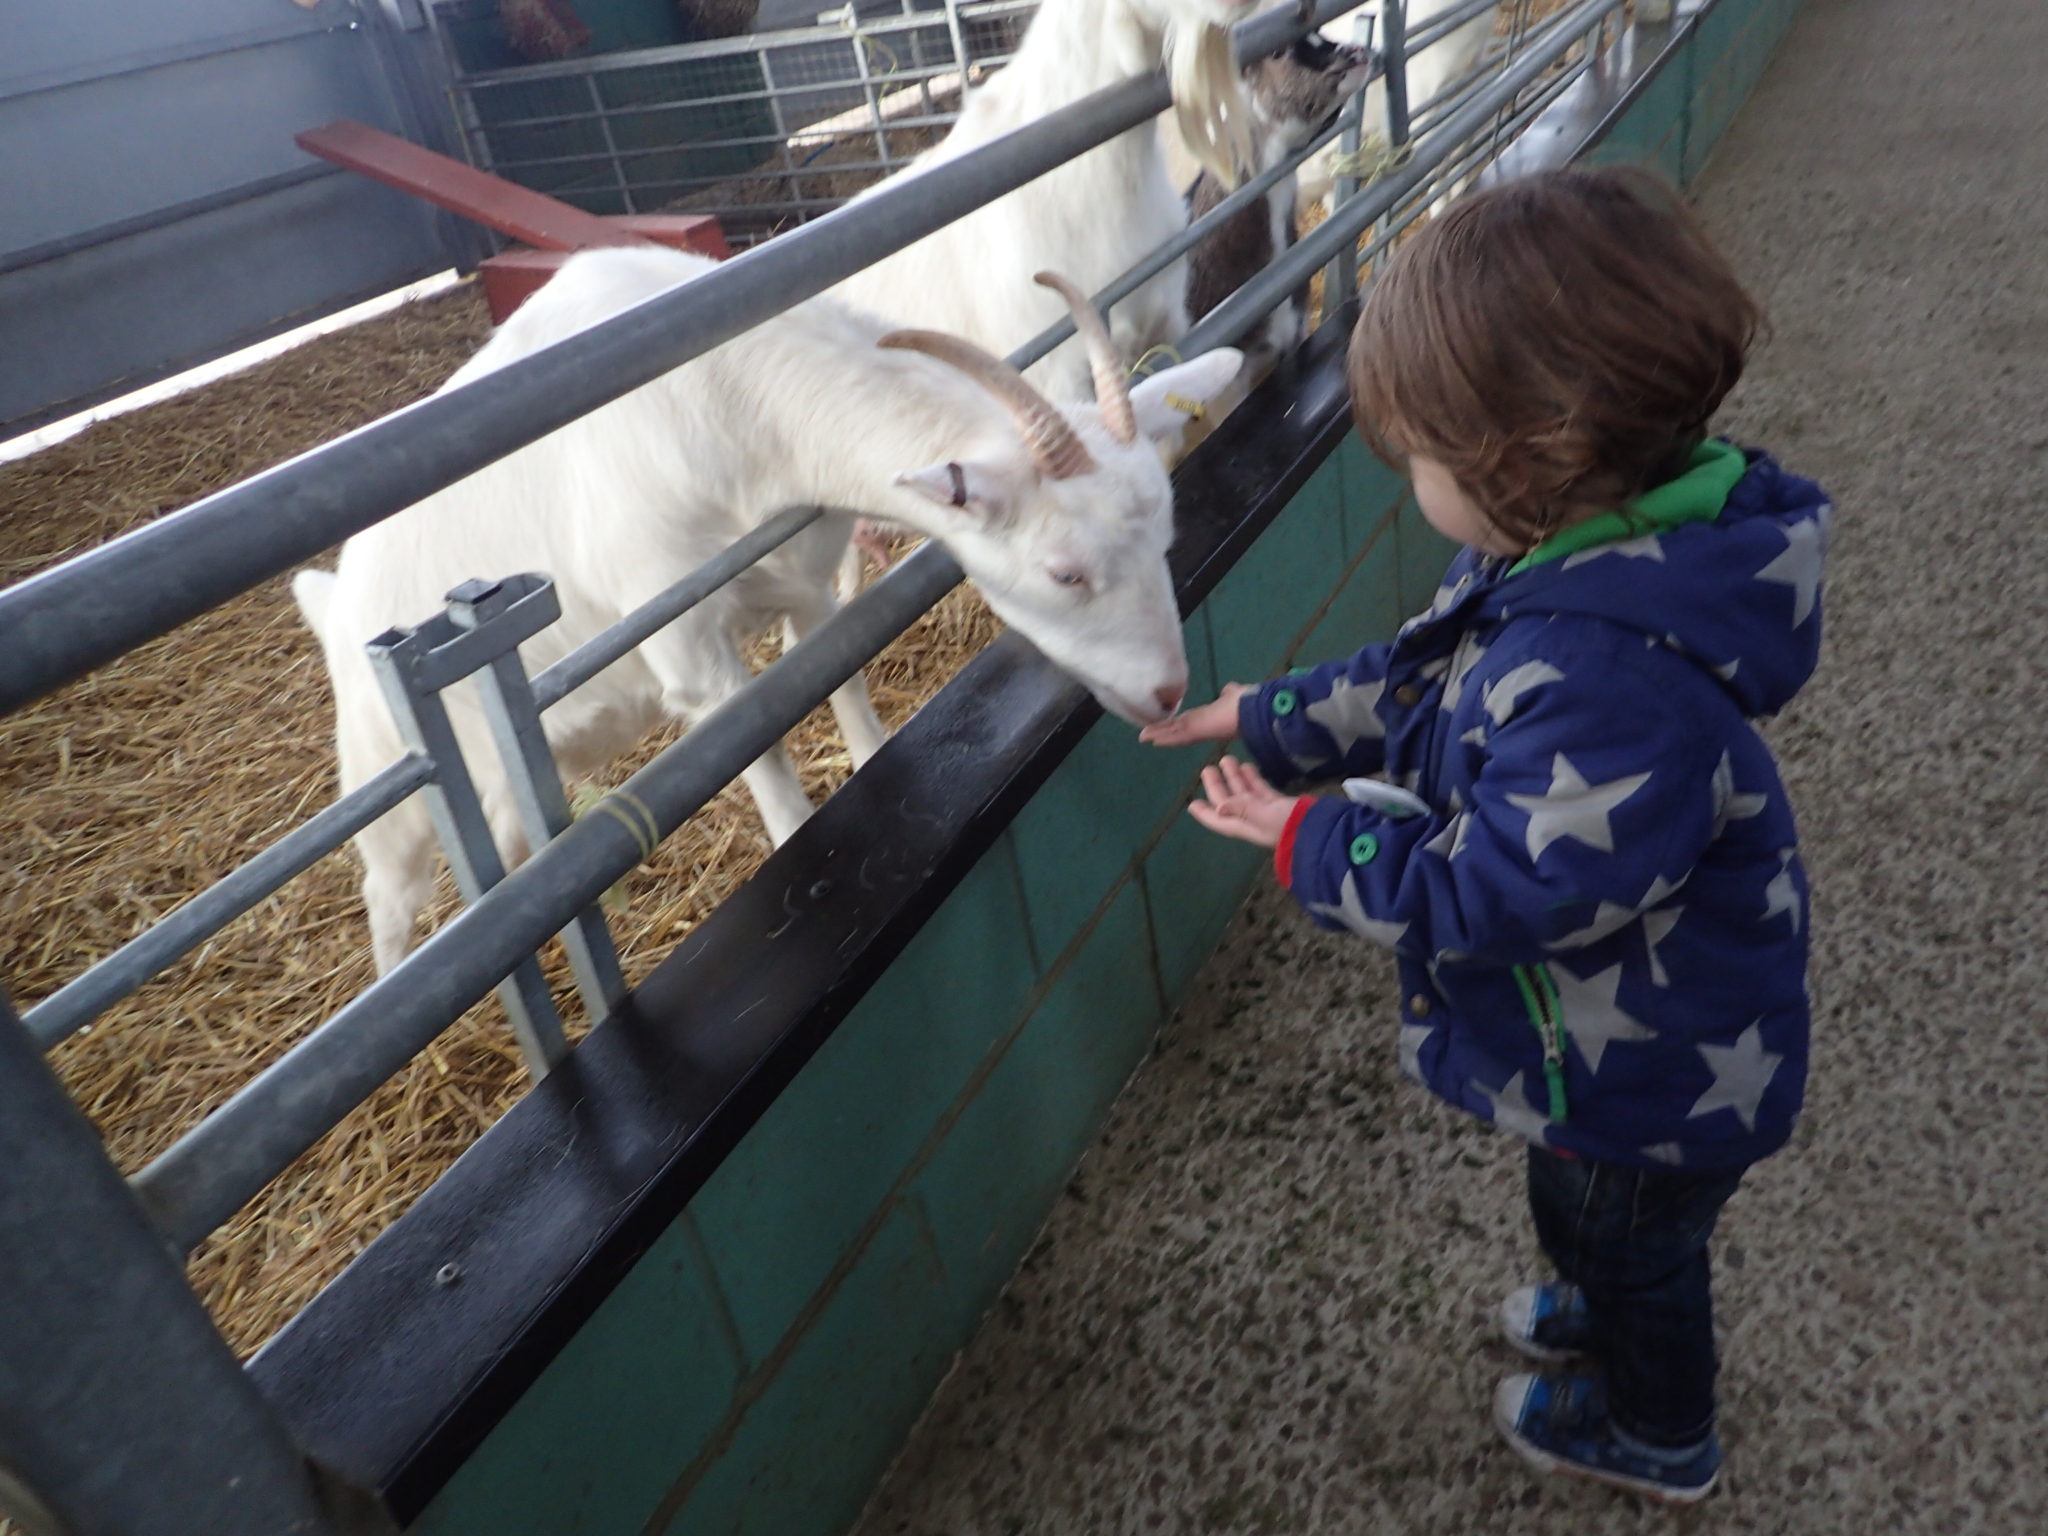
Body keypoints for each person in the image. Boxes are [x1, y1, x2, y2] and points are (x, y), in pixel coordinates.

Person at [1141, 165, 1827, 1503]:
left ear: (1532, 456)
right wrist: (1264, 714)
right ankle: (1607, 1299)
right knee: (1592, 1220)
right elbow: (1420, 681)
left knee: (1627, 1236)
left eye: (1425, 460)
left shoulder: (1604, 677)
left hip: (1659, 1066)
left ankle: (1659, 1430)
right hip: (1625, 1029)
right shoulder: (1573, 549)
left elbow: (1496, 896)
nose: (1414, 486)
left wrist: (1310, 839)